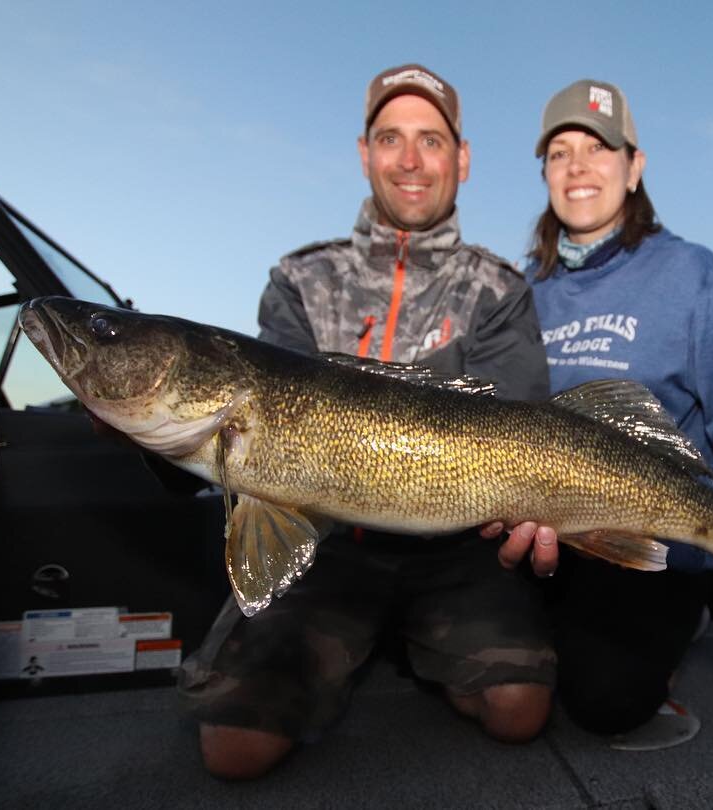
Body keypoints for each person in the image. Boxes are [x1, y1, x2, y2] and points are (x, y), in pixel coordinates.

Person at [178, 64, 555, 779]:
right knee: (235, 749)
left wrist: (543, 511)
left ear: (462, 159)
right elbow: (247, 441)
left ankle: (408, 647)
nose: (410, 161)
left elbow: (522, 428)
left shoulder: (500, 290)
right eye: (391, 138)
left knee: (518, 710)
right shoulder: (299, 279)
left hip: (456, 550)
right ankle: (363, 644)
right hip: (327, 546)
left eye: (431, 141)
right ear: (364, 153)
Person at [489, 78, 713, 745]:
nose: (577, 167)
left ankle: (692, 613)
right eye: (558, 152)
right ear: (543, 172)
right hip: (549, 542)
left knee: (604, 700)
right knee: (445, 654)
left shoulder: (694, 276)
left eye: (599, 149)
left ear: (634, 167)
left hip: (658, 546)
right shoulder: (518, 293)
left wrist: (704, 552)